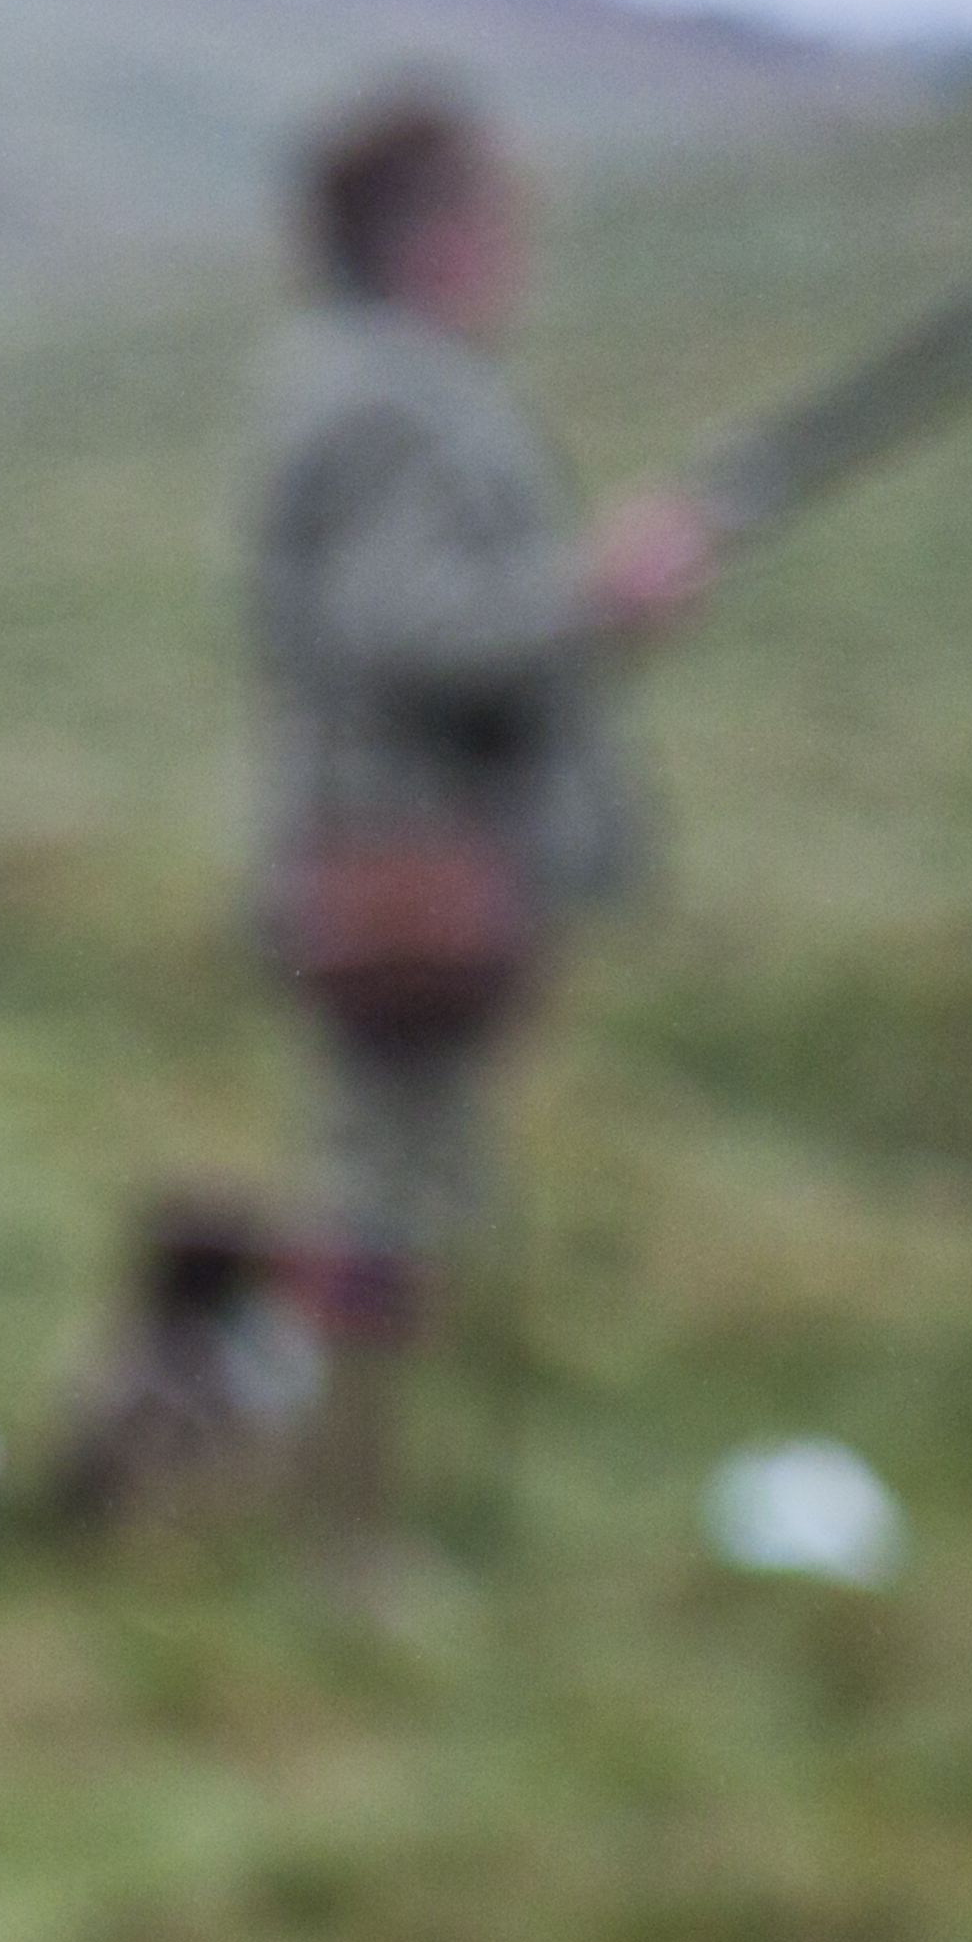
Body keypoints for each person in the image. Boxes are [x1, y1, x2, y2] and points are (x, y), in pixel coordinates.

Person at [247, 82, 714, 1566]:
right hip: (401, 867)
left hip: (399, 863)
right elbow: (402, 631)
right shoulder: (391, 399)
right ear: (433, 239)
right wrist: (598, 594)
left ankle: (368, 1520)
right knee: (378, 1194)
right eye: (495, 221)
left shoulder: (364, 380)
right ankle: (350, 1535)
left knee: (398, 1184)